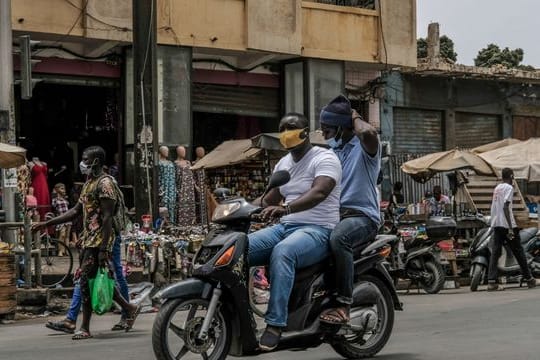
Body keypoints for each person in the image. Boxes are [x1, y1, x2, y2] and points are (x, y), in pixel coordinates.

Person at [248, 112, 341, 350]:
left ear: (305, 131)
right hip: (285, 227)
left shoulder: (325, 158)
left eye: (291, 127)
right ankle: (238, 314)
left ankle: (276, 324)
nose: (286, 132)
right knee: (239, 248)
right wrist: (240, 208)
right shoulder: (284, 163)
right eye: (282, 128)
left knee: (283, 252)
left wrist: (286, 209)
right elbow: (268, 198)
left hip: (318, 229)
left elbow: (319, 192)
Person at [32, 146, 140, 340]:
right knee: (95, 280)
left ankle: (84, 327)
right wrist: (47, 223)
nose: (82, 162)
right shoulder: (89, 182)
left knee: (85, 282)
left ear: (96, 161)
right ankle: (129, 307)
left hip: (100, 240)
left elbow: (107, 218)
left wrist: (104, 249)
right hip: (88, 239)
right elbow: (76, 211)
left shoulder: (105, 184)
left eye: (85, 159)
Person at [318, 95, 381, 325]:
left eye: (327, 129)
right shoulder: (332, 152)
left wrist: (352, 115)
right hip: (333, 216)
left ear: (342, 128)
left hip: (362, 217)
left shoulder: (366, 149)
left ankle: (343, 304)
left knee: (339, 238)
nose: (324, 135)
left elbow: (368, 133)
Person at [487, 167, 536, 291]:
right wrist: (509, 227)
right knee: (519, 251)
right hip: (507, 225)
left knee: (495, 252)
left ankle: (491, 281)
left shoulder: (497, 188)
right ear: (512, 177)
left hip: (497, 224)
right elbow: (505, 207)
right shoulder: (509, 188)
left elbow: (494, 206)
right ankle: (529, 279)